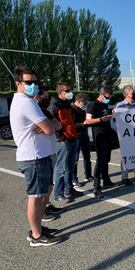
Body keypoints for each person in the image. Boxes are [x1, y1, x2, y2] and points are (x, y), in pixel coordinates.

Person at [10, 66, 61, 247]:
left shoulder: (26, 101)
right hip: (34, 158)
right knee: (36, 197)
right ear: (18, 83)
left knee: (41, 198)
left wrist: (52, 124)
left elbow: (51, 125)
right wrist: (54, 125)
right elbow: (49, 128)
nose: (33, 85)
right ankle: (36, 235)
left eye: (35, 82)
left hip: (40, 156)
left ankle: (37, 228)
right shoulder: (26, 103)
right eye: (28, 82)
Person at [34, 85, 64, 216]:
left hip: (51, 151)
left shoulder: (45, 111)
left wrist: (52, 126)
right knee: (41, 188)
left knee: (48, 185)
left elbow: (58, 124)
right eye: (45, 96)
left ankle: (46, 205)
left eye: (48, 96)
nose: (47, 98)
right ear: (37, 96)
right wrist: (51, 126)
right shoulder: (34, 111)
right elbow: (50, 128)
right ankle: (42, 212)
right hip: (40, 153)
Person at [49, 82, 80, 203]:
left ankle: (69, 190)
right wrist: (60, 136)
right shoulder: (54, 105)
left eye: (69, 90)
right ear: (60, 92)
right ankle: (58, 194)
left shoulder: (66, 104)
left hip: (72, 137)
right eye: (67, 91)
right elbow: (51, 121)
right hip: (64, 141)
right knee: (61, 168)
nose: (69, 92)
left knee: (70, 167)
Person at [84, 84, 115, 199]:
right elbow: (87, 121)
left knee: (107, 159)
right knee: (100, 160)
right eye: (107, 96)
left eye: (110, 97)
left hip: (107, 134)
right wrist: (101, 119)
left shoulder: (105, 104)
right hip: (99, 135)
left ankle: (106, 181)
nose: (109, 98)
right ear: (101, 94)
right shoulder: (93, 105)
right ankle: (96, 187)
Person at [114, 85, 135, 185]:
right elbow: (115, 119)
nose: (133, 93)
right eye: (131, 92)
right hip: (126, 135)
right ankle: (125, 177)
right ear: (126, 94)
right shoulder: (120, 105)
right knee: (125, 156)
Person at [71, 93, 93, 186]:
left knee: (87, 157)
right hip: (76, 136)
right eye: (84, 103)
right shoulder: (71, 110)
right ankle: (74, 179)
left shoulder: (83, 109)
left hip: (84, 135)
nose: (85, 105)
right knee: (74, 159)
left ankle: (88, 175)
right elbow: (72, 125)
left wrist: (88, 122)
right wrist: (83, 124)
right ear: (79, 101)